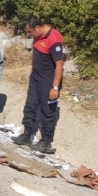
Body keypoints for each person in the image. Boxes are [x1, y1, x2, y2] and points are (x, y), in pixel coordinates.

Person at [12, 17, 64, 154]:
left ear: (37, 28)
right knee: (30, 105)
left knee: (48, 111)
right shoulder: (38, 35)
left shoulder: (54, 39)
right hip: (35, 77)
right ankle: (26, 134)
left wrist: (55, 87)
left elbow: (59, 65)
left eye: (30, 32)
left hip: (48, 80)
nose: (30, 36)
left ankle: (46, 141)